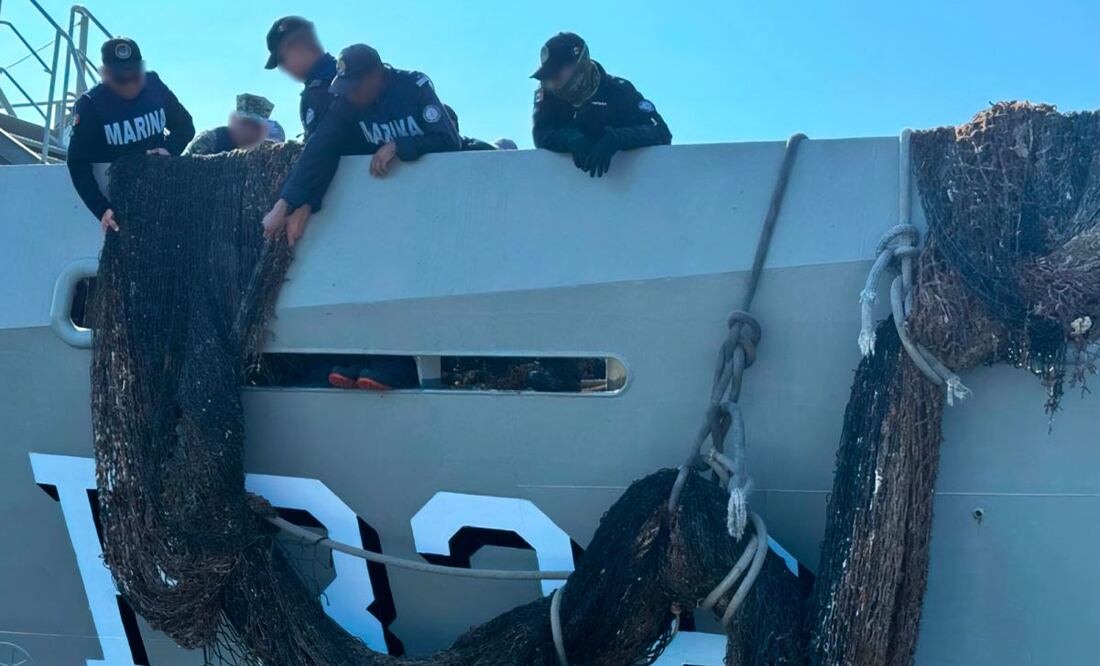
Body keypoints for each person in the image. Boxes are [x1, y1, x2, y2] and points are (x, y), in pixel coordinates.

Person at [261, 43, 461, 390]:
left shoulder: (413, 87)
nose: (350, 94)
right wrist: (288, 203)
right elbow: (321, 148)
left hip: (429, 216)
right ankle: (360, 358)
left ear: (375, 76)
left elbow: (448, 140)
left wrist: (400, 145)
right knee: (370, 281)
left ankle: (398, 365)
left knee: (406, 287)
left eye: (355, 86)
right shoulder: (350, 101)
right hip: (378, 217)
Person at [66, 37, 194, 231]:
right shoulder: (90, 105)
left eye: (135, 75)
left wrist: (169, 149)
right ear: (105, 74)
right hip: (121, 205)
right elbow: (77, 162)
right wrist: (101, 209)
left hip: (163, 193)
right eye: (120, 77)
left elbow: (185, 126)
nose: (130, 83)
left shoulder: (155, 86)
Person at [531, 32, 671, 178]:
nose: (552, 81)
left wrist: (617, 139)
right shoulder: (547, 93)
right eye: (548, 76)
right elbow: (541, 133)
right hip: (567, 187)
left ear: (578, 66)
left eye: (556, 73)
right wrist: (568, 137)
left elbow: (661, 131)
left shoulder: (618, 91)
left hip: (624, 185)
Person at [264, 16, 336, 141]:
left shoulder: (334, 84)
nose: (283, 69)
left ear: (299, 47)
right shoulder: (319, 85)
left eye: (281, 60)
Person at [184, 93, 274, 155]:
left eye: (256, 128)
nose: (250, 131)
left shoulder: (257, 149)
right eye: (246, 123)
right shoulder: (212, 140)